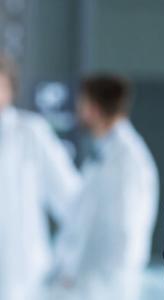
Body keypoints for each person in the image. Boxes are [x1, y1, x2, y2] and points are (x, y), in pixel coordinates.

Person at [53, 74, 159, 300]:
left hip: (108, 283)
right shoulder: (107, 152)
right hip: (91, 280)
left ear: (93, 108)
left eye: (81, 103)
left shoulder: (128, 159)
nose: (78, 110)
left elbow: (125, 230)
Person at [0, 54, 81, 300]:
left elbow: (74, 204)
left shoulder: (31, 133)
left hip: (23, 282)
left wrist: (66, 264)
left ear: (10, 88)